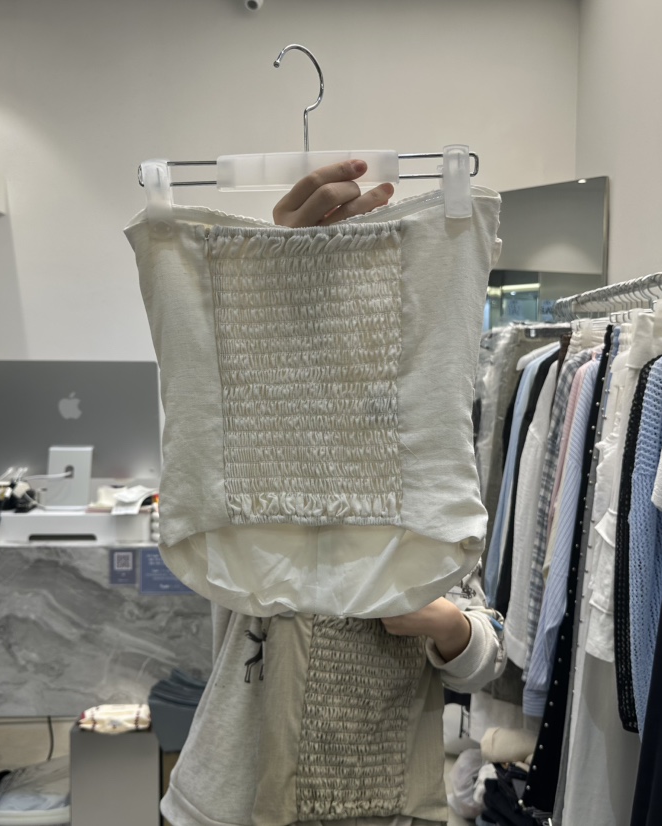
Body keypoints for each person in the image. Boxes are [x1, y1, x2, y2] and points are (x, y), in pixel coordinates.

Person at [160, 160, 505, 826]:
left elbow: (486, 658)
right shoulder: (266, 448)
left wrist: (442, 622)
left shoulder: (422, 476)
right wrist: (278, 291)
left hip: (381, 790)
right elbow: (207, 459)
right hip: (235, 786)